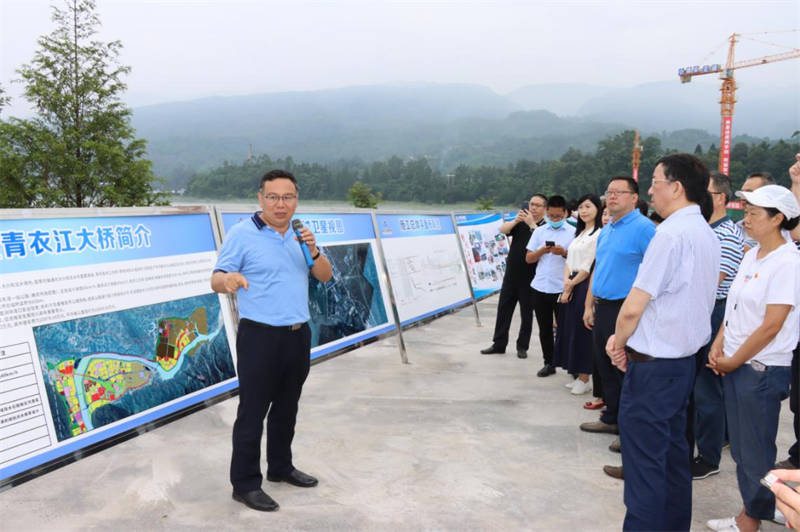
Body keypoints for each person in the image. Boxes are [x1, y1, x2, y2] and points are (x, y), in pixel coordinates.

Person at [606, 153, 720, 531]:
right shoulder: (704, 232)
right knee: (672, 459)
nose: (650, 191)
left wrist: (618, 342)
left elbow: (633, 307)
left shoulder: (669, 235)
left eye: (655, 182)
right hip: (683, 364)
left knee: (643, 466)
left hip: (654, 371)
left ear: (677, 187)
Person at [212, 169, 333, 512]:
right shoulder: (242, 233)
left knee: (287, 407)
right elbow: (216, 278)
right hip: (260, 337)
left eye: (288, 197)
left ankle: (280, 467)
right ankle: (245, 484)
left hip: (298, 334)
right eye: (273, 197)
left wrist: (313, 250)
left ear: (296, 199)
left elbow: (325, 276)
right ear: (261, 199)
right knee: (252, 412)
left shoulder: (301, 233)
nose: (281, 204)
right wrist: (228, 280)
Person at [706, 184, 800, 532]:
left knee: (754, 449)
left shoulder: (788, 262)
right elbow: (733, 308)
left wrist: (734, 360)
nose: (745, 219)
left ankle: (750, 518)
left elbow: (771, 325)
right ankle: (761, 507)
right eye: (745, 212)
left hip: (760, 369)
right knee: (743, 449)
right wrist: (719, 344)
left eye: (754, 213)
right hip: (736, 363)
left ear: (777, 219)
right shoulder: (752, 254)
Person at [581, 177, 655, 438]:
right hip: (603, 307)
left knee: (624, 368)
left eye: (618, 192)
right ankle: (611, 417)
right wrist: (589, 305)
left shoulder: (644, 229)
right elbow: (600, 268)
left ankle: (629, 430)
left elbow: (656, 271)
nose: (611, 197)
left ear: (634, 198)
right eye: (609, 192)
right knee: (604, 366)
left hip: (625, 308)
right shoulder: (608, 229)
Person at [690, 172, 744, 481]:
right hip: (701, 310)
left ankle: (708, 457)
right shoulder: (705, 229)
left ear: (721, 198)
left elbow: (714, 281)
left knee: (707, 389)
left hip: (714, 312)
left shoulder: (727, 234)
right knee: (700, 387)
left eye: (705, 193)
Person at [481, 195, 547, 358]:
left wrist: (532, 225)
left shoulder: (544, 227)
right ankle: (499, 343)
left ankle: (522, 346)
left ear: (545, 209)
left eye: (538, 205)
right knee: (504, 309)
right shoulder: (521, 222)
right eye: (532, 204)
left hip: (530, 277)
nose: (533, 208)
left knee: (526, 313)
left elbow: (542, 243)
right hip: (511, 275)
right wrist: (517, 220)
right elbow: (503, 230)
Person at [554, 194, 603, 395]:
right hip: (571, 282)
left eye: (588, 207)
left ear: (598, 209)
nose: (583, 211)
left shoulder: (599, 234)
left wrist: (571, 285)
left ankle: (585, 377)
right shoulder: (581, 233)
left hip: (583, 285)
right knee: (569, 329)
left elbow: (589, 265)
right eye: (581, 207)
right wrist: (566, 282)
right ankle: (576, 373)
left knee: (582, 333)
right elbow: (568, 261)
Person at [526, 195, 575, 377]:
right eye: (551, 216)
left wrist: (563, 253)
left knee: (566, 329)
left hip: (561, 288)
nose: (554, 219)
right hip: (540, 286)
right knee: (544, 328)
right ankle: (549, 362)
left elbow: (578, 260)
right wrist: (542, 251)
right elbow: (529, 258)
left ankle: (571, 364)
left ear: (565, 213)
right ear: (547, 212)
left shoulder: (573, 232)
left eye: (558, 216)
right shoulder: (540, 232)